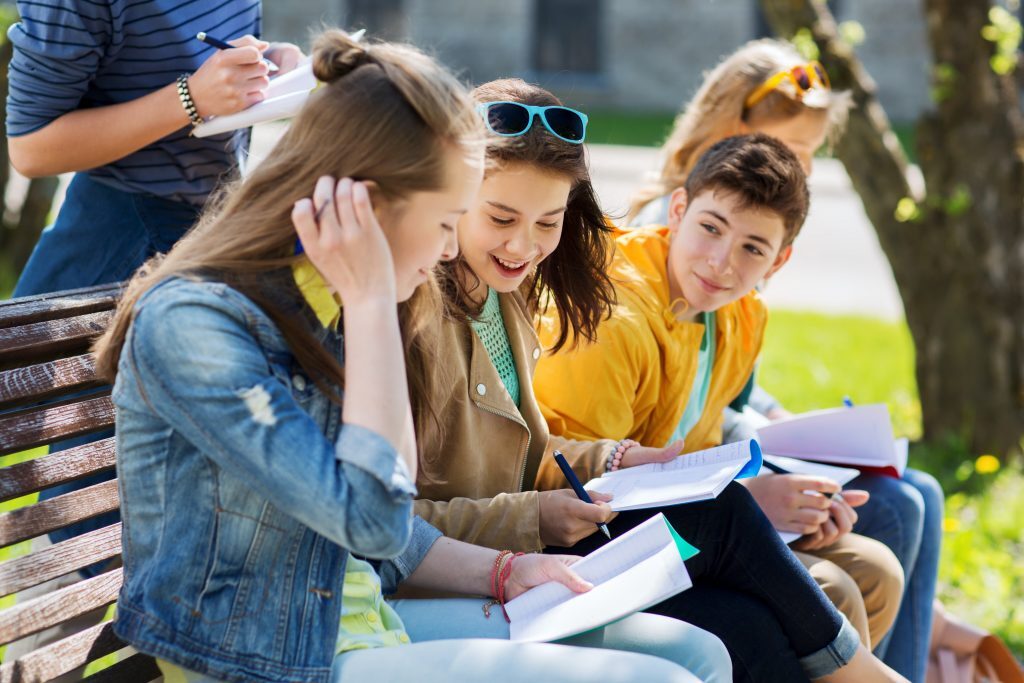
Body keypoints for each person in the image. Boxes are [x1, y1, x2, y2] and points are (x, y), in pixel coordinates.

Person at [89, 31, 708, 683]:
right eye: (444, 221)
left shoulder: (339, 299)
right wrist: (372, 302)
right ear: (365, 203)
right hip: (266, 659)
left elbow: (375, 526)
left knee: (693, 655)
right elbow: (377, 517)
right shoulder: (199, 326)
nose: (449, 250)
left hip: (361, 624)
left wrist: (505, 570)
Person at [411, 77, 906, 682]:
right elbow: (391, 524)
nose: (524, 244)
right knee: (731, 531)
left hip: (528, 544)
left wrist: (614, 459)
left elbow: (522, 453)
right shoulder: (418, 316)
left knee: (749, 619)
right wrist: (536, 515)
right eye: (501, 217)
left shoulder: (504, 292)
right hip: (477, 571)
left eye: (548, 222)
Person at [628, 38, 942, 681]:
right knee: (893, 508)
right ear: (731, 132)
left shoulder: (736, 280)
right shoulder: (676, 254)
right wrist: (763, 463)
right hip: (672, 499)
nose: (798, 168)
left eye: (808, 154)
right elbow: (643, 444)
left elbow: (722, 395)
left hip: (710, 471)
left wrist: (787, 430)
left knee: (918, 495)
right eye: (788, 149)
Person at [3, 0, 305, 573]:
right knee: (92, 522)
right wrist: (190, 98)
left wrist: (263, 67)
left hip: (207, 237)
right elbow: (32, 146)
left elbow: (179, 51)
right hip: (123, 244)